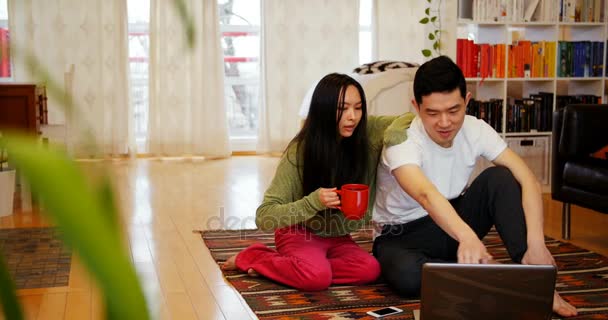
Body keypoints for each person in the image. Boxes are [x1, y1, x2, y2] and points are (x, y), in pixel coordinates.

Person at [371, 56, 578, 317]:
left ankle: (531, 274)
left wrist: (536, 242)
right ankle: (475, 273)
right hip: (402, 235)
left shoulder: (476, 129)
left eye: (454, 110)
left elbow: (527, 178)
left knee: (500, 178)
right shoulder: (401, 141)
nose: (445, 123)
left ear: (467, 101)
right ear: (416, 106)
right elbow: (426, 195)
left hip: (453, 220)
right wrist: (468, 237)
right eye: (432, 113)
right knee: (408, 277)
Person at [221, 73, 415, 291]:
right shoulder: (299, 151)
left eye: (358, 107)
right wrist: (313, 202)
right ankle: (256, 257)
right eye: (343, 109)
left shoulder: (368, 131)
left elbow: (409, 118)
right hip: (299, 231)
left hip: (337, 236)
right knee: (316, 278)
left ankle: (295, 269)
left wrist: (394, 136)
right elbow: (264, 217)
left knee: (369, 270)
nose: (353, 116)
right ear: (324, 109)